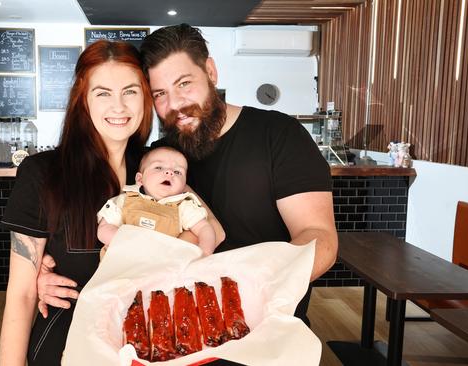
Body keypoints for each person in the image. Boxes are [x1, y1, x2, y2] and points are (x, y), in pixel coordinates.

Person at [37, 24, 338, 327]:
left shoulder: (278, 135)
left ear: (210, 71)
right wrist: (44, 271)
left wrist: (252, 288)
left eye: (184, 84)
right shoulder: (157, 158)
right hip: (179, 331)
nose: (175, 104)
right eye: (160, 94)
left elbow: (319, 239)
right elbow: (117, 229)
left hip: (268, 324)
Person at [0, 40, 154, 365]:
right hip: (64, 345)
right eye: (102, 93)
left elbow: (206, 234)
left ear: (145, 97)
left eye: (130, 91)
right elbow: (22, 293)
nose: (119, 106)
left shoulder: (159, 171)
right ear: (82, 100)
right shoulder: (43, 173)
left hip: (147, 346)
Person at [97, 146, 217, 256]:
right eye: (159, 167)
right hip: (120, 265)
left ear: (184, 184)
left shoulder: (184, 206)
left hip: (162, 269)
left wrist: (205, 252)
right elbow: (103, 229)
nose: (169, 172)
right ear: (140, 179)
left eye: (177, 172)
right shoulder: (125, 199)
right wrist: (129, 243)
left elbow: (204, 229)